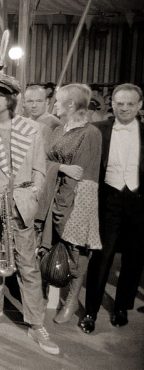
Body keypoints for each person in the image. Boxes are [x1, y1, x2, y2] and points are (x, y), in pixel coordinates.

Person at [0, 72, 59, 355]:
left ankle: (36, 323)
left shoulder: (31, 128)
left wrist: (31, 196)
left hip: (19, 205)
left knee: (28, 265)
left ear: (11, 98)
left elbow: (39, 170)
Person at [79, 83, 144, 334]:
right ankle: (91, 311)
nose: (124, 108)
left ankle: (121, 307)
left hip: (138, 203)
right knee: (102, 257)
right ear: (112, 105)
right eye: (119, 103)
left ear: (139, 106)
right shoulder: (97, 130)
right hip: (108, 201)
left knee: (134, 258)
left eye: (130, 104)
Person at [39, 84, 101, 324]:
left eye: (57, 102)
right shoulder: (57, 129)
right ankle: (45, 294)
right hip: (51, 195)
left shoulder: (90, 133)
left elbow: (86, 176)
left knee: (76, 249)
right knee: (47, 247)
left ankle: (72, 299)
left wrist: (74, 213)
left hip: (76, 200)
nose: (54, 106)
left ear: (71, 105)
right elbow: (43, 161)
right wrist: (61, 167)